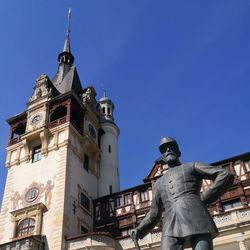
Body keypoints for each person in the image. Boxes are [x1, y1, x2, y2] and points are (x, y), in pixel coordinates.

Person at [131, 137, 234, 250]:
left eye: (171, 147)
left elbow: (225, 175)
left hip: (197, 219)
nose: (168, 150)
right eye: (164, 149)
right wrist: (139, 229)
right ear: (162, 157)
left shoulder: (192, 166)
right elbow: (154, 213)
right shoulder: (159, 183)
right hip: (170, 228)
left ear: (179, 151)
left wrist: (203, 198)